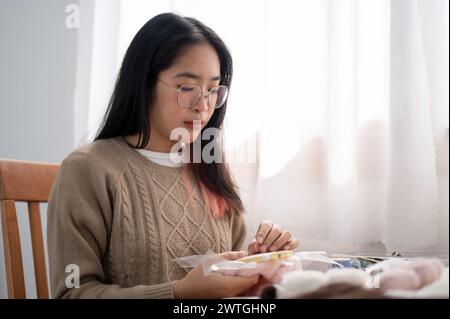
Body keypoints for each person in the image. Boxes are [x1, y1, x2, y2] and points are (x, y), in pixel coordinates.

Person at [47, 12, 299, 299]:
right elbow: (72, 294)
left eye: (213, 90)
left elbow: (229, 294)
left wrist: (256, 266)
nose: (203, 106)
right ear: (144, 84)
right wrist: (179, 292)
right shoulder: (88, 169)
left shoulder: (210, 168)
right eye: (186, 87)